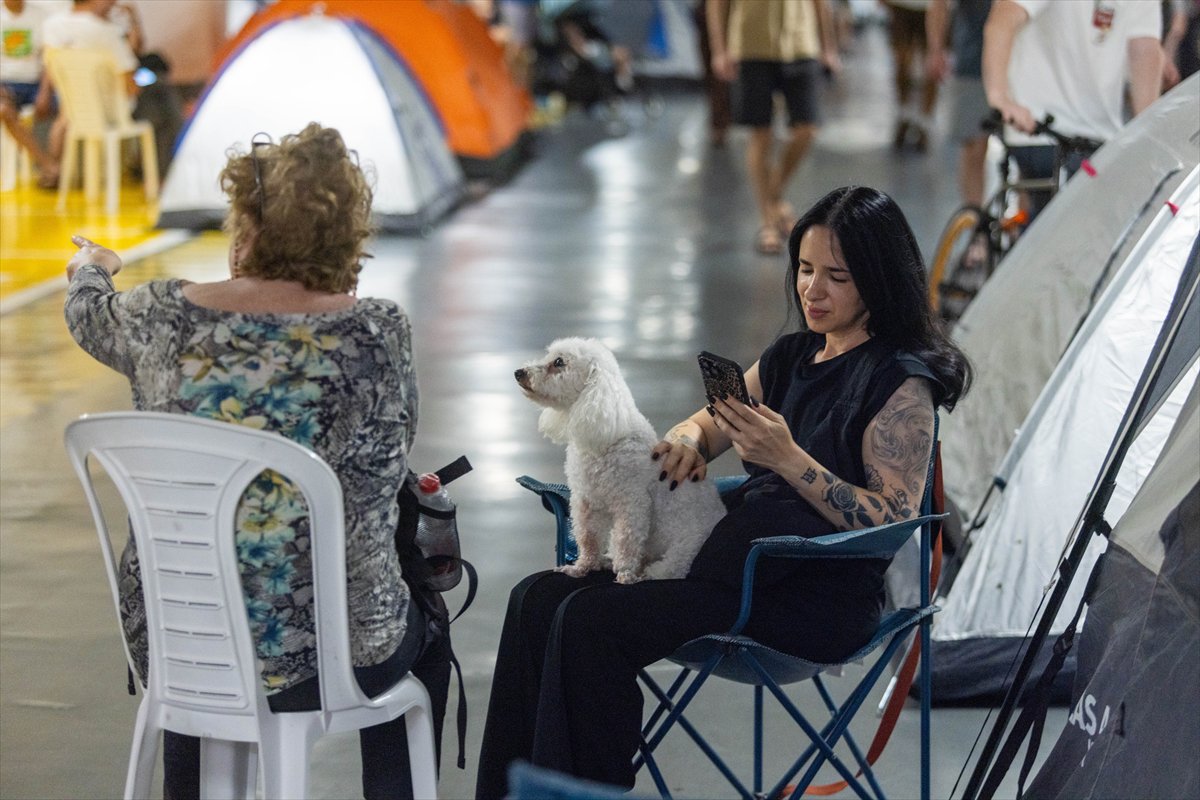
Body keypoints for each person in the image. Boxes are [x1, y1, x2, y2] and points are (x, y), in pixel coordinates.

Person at [474, 185, 972, 798]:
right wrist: (685, 439)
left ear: (878, 278)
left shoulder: (901, 385)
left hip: (809, 592)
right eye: (806, 270)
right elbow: (708, 424)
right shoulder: (791, 355)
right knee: (537, 598)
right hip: (724, 565)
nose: (812, 291)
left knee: (590, 621)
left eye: (836, 277)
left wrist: (789, 461)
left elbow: (891, 520)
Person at [63, 123, 451, 800]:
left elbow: (86, 311)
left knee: (205, 589)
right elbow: (391, 459)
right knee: (427, 625)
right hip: (332, 657)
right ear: (344, 239)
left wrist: (92, 264)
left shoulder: (158, 315)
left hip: (177, 641)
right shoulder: (374, 333)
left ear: (246, 223)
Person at [982, 0, 1163, 216]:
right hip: (1039, 126)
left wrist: (1149, 134)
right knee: (1055, 225)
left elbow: (1145, 49)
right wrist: (1000, 98)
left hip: (1101, 135)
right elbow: (1001, 23)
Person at [707, 0, 841, 255]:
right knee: (761, 133)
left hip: (801, 42)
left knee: (807, 128)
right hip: (752, 44)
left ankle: (773, 199)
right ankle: (767, 221)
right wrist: (719, 49)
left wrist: (829, 46)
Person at [926, 0, 993, 206]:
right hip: (973, 60)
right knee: (974, 145)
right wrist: (936, 49)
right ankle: (975, 221)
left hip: (1023, 64)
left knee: (1025, 153)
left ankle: (1022, 228)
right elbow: (938, 4)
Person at [0, 0, 58, 187]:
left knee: (67, 110)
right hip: (5, 84)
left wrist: (44, 91)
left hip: (35, 83)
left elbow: (50, 60)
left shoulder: (41, 16)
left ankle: (56, 168)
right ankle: (47, 164)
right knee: (3, 110)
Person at [884, 0, 938, 152]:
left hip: (932, 6)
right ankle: (904, 115)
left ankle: (925, 123)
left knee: (932, 65)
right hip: (902, 5)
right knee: (902, 64)